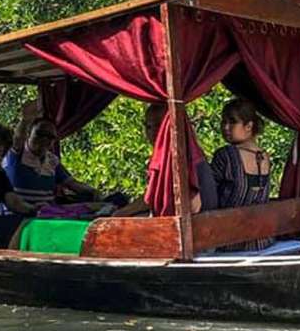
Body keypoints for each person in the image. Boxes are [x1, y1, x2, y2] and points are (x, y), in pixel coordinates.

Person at [114, 103, 217, 216]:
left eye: (159, 125)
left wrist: (120, 213)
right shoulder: (180, 151)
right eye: (148, 127)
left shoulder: (180, 155)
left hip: (195, 224)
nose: (153, 132)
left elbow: (150, 199)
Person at [210, 98, 273, 250]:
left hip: (231, 241)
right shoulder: (264, 156)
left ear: (249, 126)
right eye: (223, 121)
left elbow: (208, 194)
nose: (225, 127)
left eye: (232, 122)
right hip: (262, 239)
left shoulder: (226, 155)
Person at [3, 118, 102, 212]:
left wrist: (93, 191)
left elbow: (72, 184)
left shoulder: (52, 160)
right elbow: (17, 139)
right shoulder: (16, 155)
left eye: (50, 137)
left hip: (46, 214)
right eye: (40, 133)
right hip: (18, 216)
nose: (45, 139)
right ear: (29, 133)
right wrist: (25, 120)